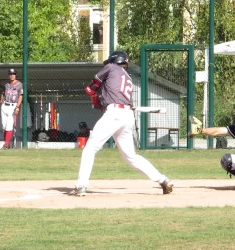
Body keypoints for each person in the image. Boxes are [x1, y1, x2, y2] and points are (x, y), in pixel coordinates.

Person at [68, 50, 173, 196]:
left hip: (114, 114)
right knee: (131, 156)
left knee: (90, 148)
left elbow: (90, 89)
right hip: (127, 115)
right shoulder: (128, 77)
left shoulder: (111, 68)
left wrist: (96, 101)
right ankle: (163, 180)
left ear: (113, 61)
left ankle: (81, 186)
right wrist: (101, 102)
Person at [0, 68, 23, 149]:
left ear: (16, 75)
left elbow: (20, 96)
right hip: (4, 105)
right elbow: (3, 92)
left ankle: (6, 144)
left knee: (9, 126)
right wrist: (1, 98)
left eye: (13, 74)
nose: (12, 75)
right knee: (4, 126)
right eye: (10, 74)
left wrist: (17, 107)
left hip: (13, 106)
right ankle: (7, 143)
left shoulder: (19, 84)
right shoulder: (6, 84)